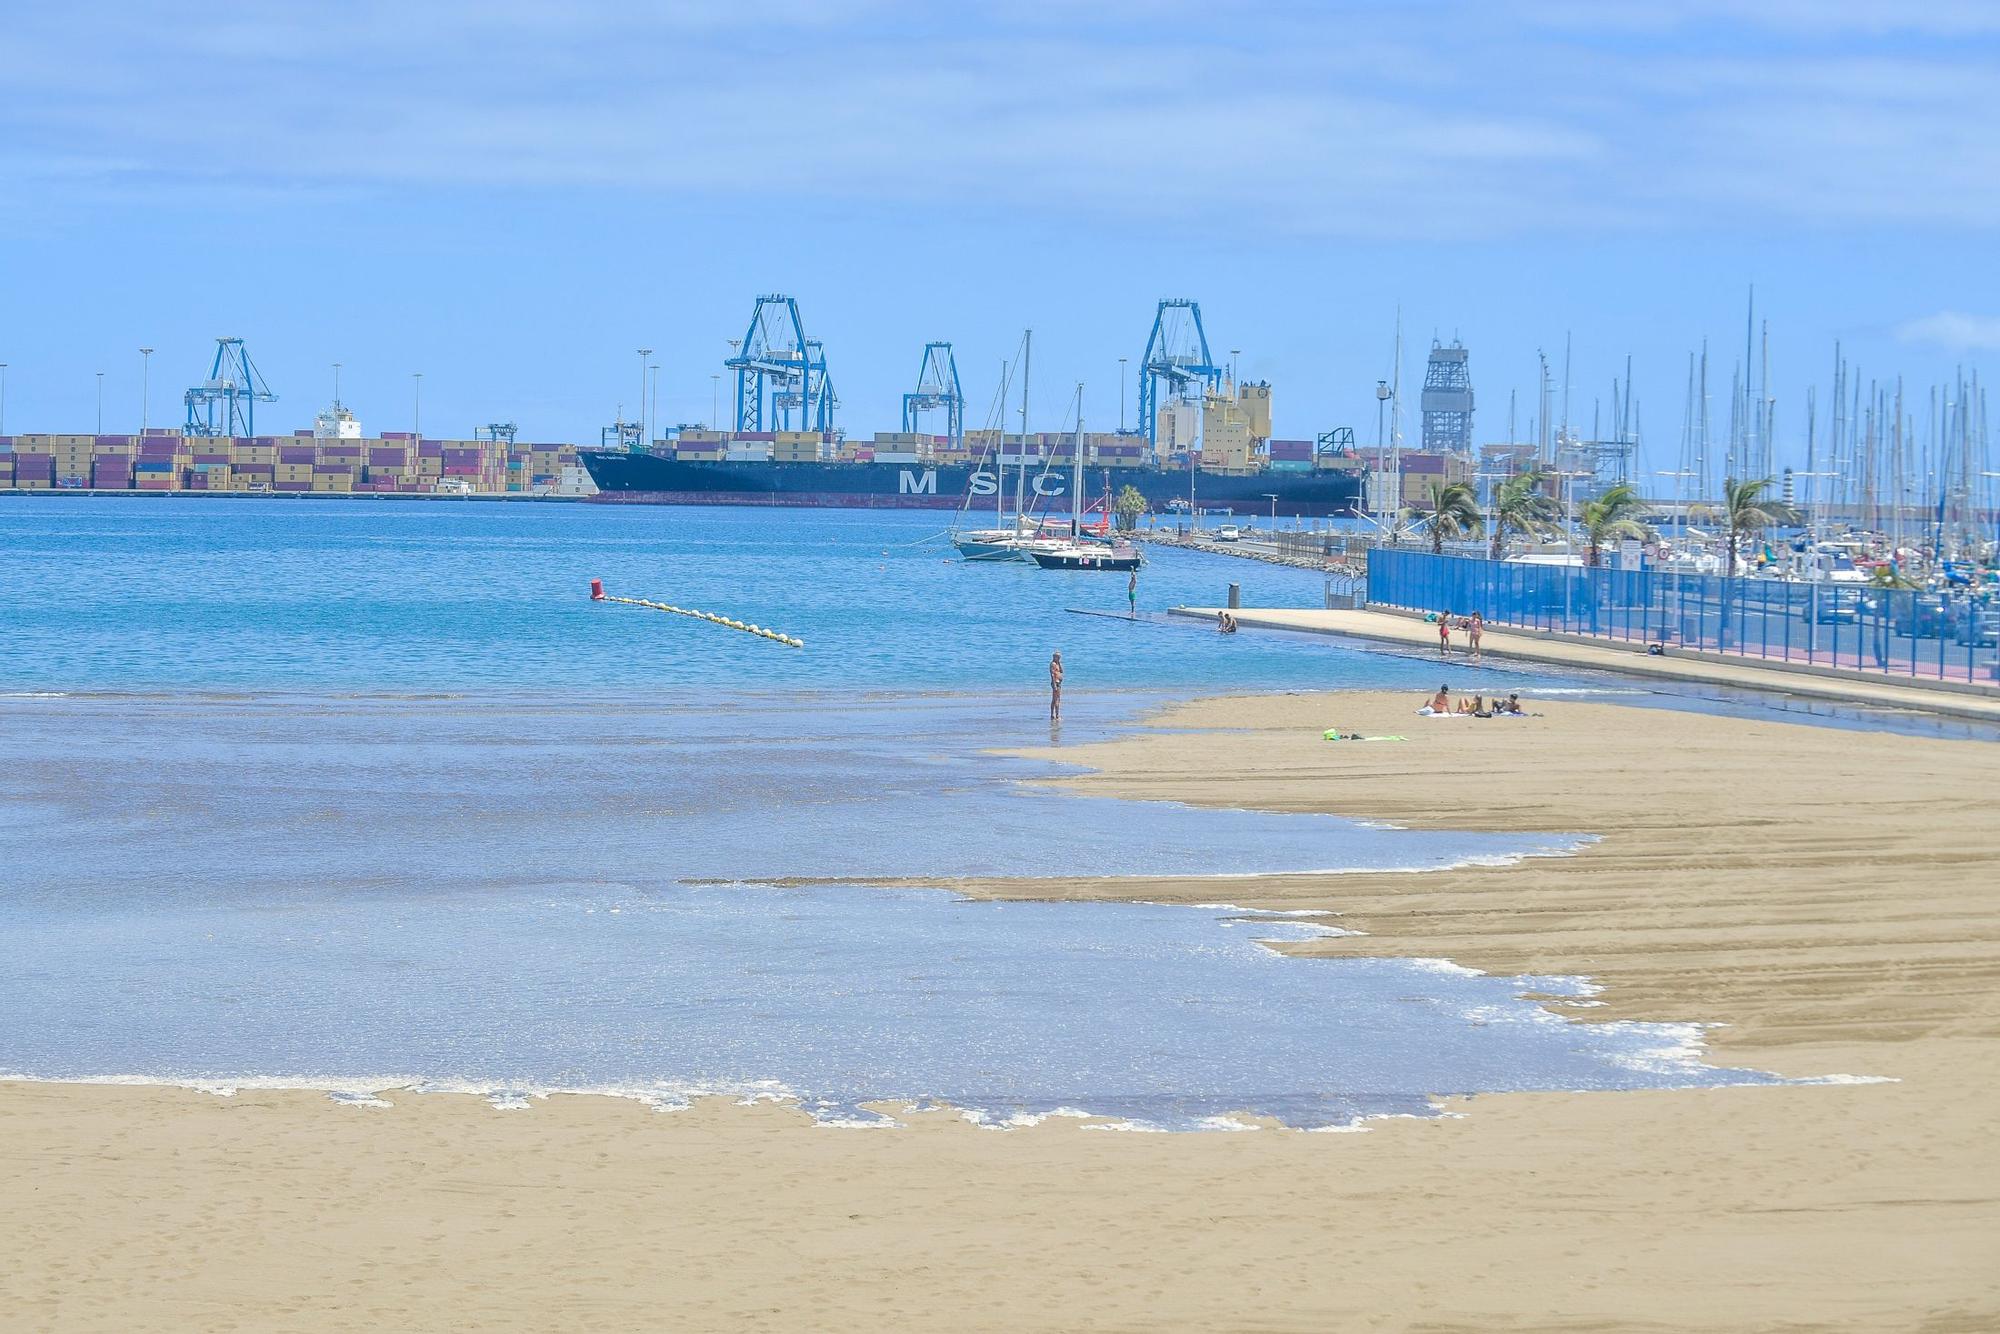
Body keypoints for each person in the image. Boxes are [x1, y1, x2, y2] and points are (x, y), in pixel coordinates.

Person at [1049, 651, 1064, 720]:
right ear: (1054, 657)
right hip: (1056, 683)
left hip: (1059, 683)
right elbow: (1052, 674)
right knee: (1056, 700)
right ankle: (1056, 715)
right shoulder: (1053, 664)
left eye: (1059, 657)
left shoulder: (1057, 664)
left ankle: (1054, 715)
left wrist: (1059, 663)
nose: (1059, 658)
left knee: (1057, 699)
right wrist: (1054, 684)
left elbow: (1061, 671)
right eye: (1058, 657)